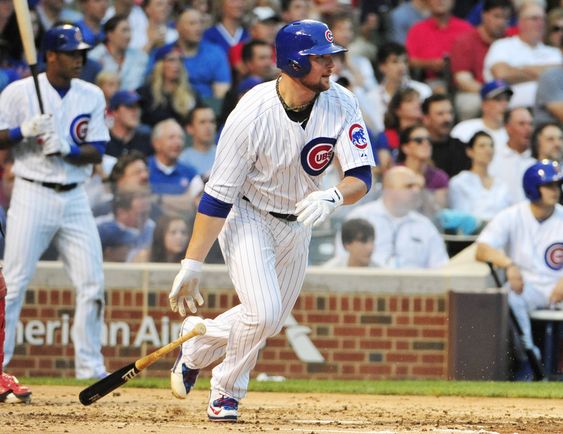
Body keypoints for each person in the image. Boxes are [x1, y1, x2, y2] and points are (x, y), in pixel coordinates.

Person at [168, 20, 374, 422]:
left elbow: (362, 175)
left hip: (299, 220)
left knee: (270, 321)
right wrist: (192, 264)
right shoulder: (251, 114)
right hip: (248, 214)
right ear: (295, 63)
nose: (331, 64)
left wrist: (333, 195)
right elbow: (217, 196)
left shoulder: (343, 101)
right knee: (261, 312)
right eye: (321, 57)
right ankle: (226, 391)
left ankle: (196, 346)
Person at [0, 24, 109, 379]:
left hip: (75, 196)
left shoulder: (90, 94)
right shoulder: (18, 92)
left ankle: (90, 368)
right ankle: (0, 367)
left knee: (92, 284)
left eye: (81, 53)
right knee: (13, 284)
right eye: (71, 53)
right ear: (50, 55)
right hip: (32, 191)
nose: (78, 59)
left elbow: (98, 150)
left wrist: (68, 148)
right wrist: (23, 132)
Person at [476, 160, 563, 373]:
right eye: (549, 186)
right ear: (534, 188)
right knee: (511, 296)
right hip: (528, 287)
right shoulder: (512, 215)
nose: (555, 190)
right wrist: (509, 264)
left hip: (557, 286)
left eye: (557, 185)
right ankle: (529, 356)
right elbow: (482, 249)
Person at [344, 166, 449, 269]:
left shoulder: (425, 226)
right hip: (366, 284)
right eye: (409, 186)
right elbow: (343, 261)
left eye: (418, 187)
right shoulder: (360, 217)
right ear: (388, 189)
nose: (416, 191)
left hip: (413, 285)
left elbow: (441, 268)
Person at [483, 1, 562, 108]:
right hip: (511, 110)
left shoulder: (554, 52)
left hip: (550, 111)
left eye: (543, 19)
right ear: (520, 22)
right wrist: (549, 73)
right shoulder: (502, 45)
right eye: (534, 18)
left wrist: (520, 70)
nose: (540, 23)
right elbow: (502, 75)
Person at [450, 0, 512, 120]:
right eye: (497, 16)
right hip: (476, 92)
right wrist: (491, 93)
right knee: (469, 106)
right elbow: (463, 80)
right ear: (484, 15)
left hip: (507, 91)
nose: (501, 22)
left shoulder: (511, 41)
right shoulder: (465, 41)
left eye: (506, 18)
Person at [448, 131, 511, 224]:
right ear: (470, 151)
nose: (488, 150)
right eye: (482, 146)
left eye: (491, 145)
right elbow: (461, 218)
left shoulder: (502, 184)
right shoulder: (459, 182)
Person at [137, 44, 198, 127]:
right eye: (171, 60)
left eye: (180, 60)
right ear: (160, 65)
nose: (177, 65)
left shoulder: (191, 93)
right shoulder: (144, 93)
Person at [88, 15, 148, 91]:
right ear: (110, 34)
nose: (129, 36)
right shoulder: (94, 57)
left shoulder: (140, 57)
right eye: (124, 30)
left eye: (130, 31)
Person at [451, 80, 512, 155]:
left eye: (507, 99)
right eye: (498, 99)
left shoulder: (513, 132)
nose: (504, 104)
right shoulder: (464, 129)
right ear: (484, 104)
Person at [489, 107, 536, 204]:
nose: (528, 129)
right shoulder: (493, 157)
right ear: (507, 127)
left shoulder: (537, 160)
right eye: (521, 124)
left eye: (530, 124)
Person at [106, 90, 153, 159]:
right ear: (115, 112)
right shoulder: (104, 141)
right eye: (130, 106)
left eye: (138, 107)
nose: (136, 111)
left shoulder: (146, 139)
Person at [179, 105, 217, 178]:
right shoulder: (182, 159)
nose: (208, 127)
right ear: (190, 128)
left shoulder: (224, 155)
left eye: (212, 122)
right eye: (202, 122)